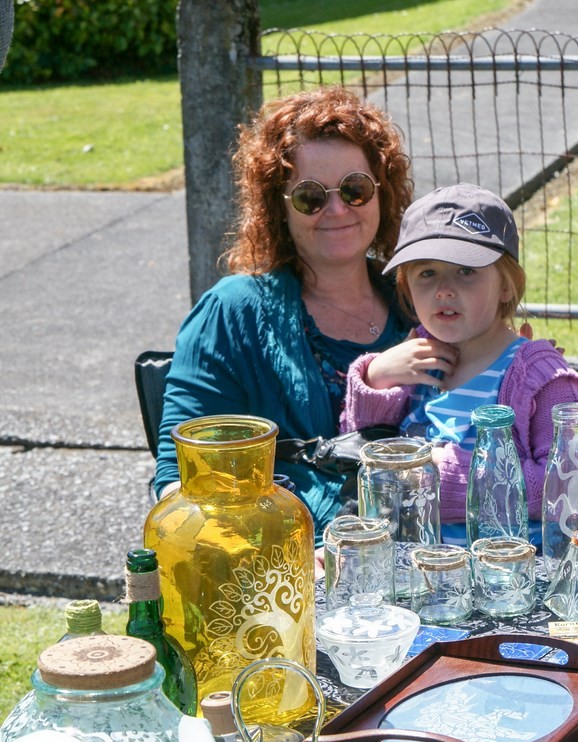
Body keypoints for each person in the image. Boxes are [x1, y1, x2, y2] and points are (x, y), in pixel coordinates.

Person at [154, 85, 421, 541]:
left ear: (383, 193)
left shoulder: (420, 299)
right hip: (284, 564)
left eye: (355, 190)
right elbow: (179, 481)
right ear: (278, 209)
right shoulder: (231, 312)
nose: (336, 209)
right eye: (310, 197)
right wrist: (275, 554)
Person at [339, 183, 578, 561]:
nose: (444, 289)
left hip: (517, 573)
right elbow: (358, 455)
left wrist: (443, 479)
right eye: (427, 272)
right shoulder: (413, 360)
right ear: (407, 287)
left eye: (466, 271)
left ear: (506, 286)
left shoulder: (538, 377)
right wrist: (377, 378)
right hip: (422, 569)